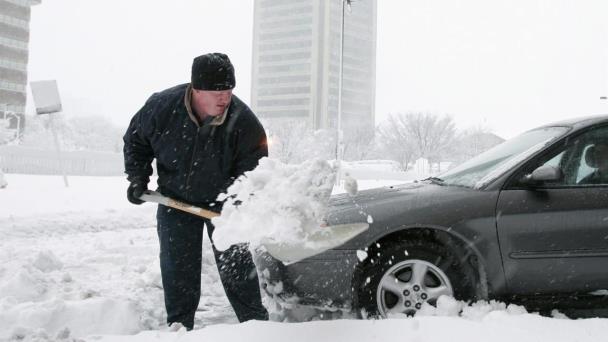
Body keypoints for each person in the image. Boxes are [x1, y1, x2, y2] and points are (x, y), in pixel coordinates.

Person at [123, 52, 269, 330]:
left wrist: (239, 202)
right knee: (179, 270)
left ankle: (257, 328)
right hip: (174, 200)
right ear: (196, 89)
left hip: (224, 206)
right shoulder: (162, 108)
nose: (224, 98)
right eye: (217, 91)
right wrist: (138, 179)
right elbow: (136, 142)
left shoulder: (243, 121)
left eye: (228, 90)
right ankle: (180, 330)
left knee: (237, 269)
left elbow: (255, 167)